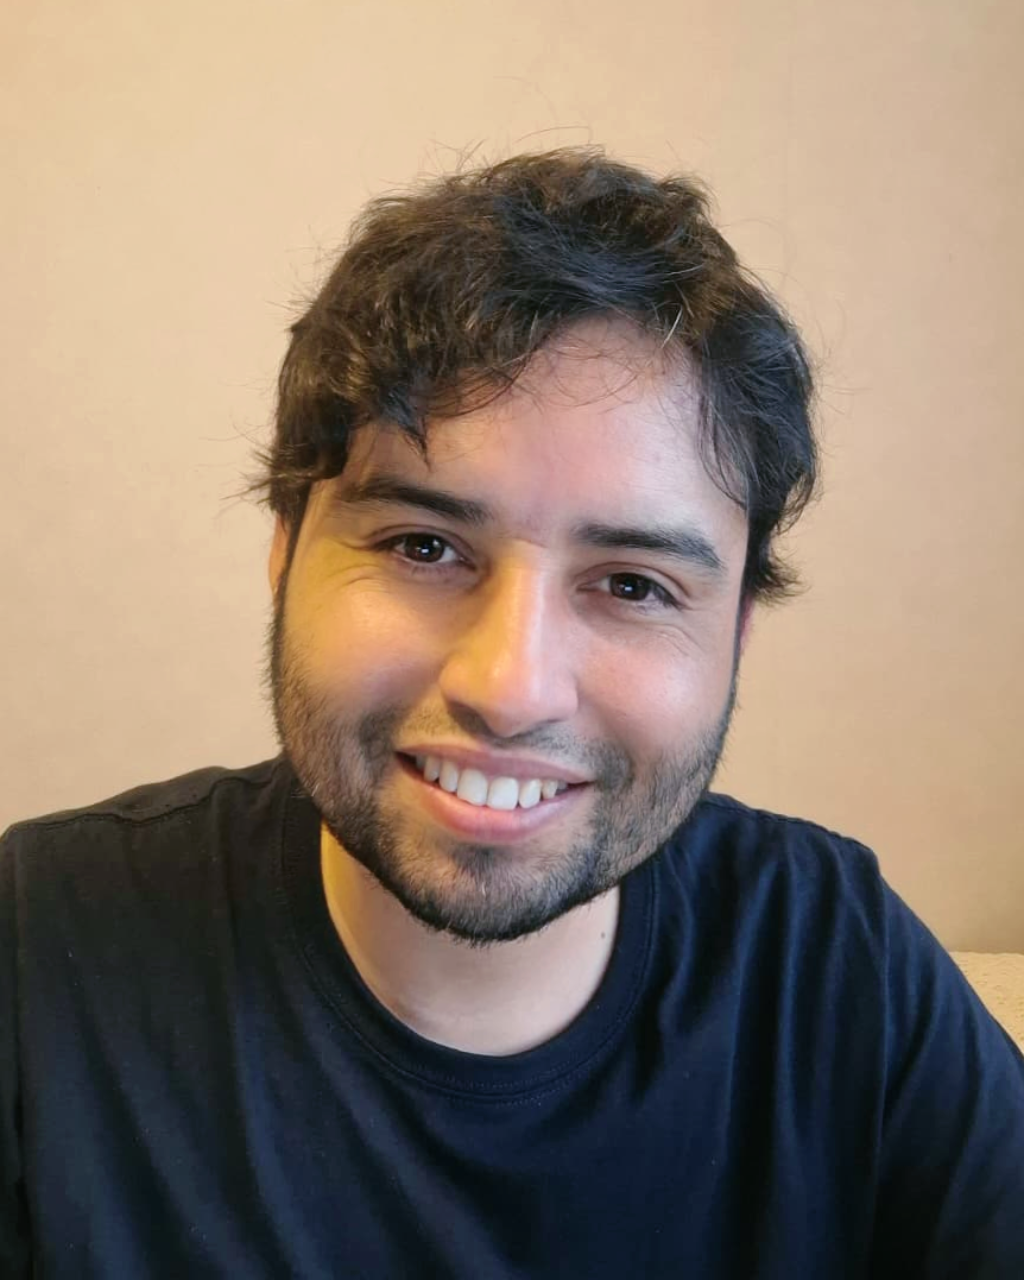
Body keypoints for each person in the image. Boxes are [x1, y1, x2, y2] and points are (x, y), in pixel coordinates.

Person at [2, 148, 1022, 1278]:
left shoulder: (835, 960)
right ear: (285, 551)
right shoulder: (37, 946)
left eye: (632, 583)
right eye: (422, 546)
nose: (510, 686)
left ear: (737, 631)